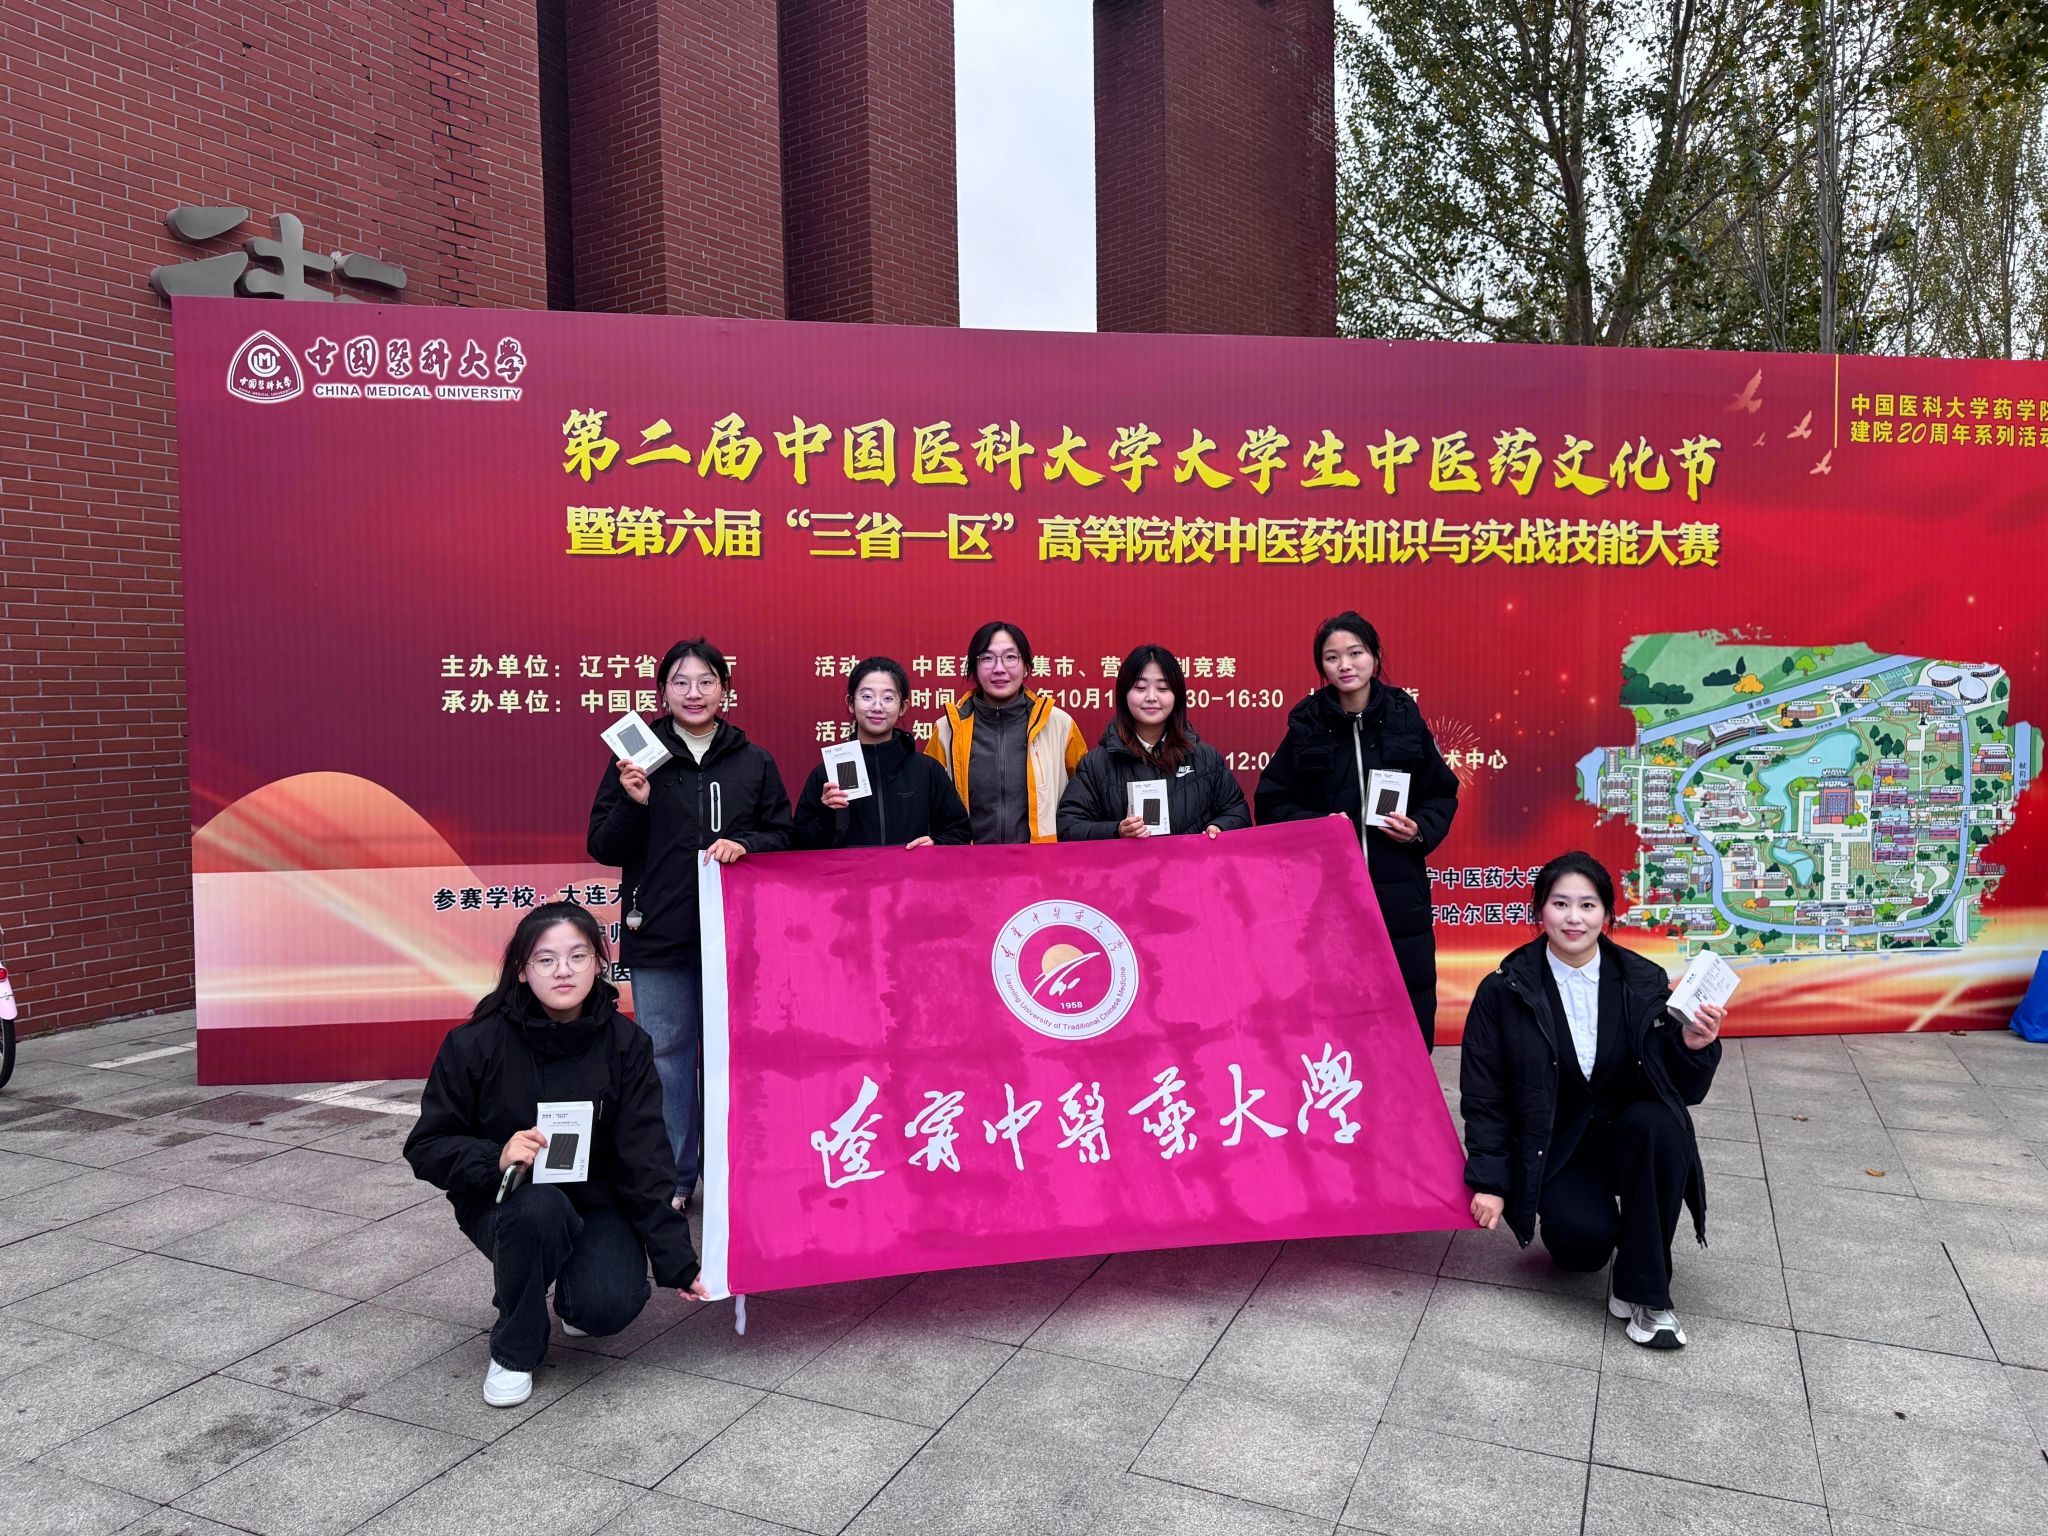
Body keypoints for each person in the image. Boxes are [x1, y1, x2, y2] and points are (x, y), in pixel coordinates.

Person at [404, 903, 712, 1408]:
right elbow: (426, 1146)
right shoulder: (474, 1043)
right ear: (522, 970)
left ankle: (574, 1295)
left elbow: (646, 1160)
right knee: (537, 1211)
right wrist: (495, 1156)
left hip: (595, 1201)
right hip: (507, 1202)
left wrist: (679, 1263)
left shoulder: (626, 1044)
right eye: (546, 960)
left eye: (577, 956)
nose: (563, 970)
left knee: (607, 1306)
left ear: (599, 964)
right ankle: (514, 1348)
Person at [1459, 852, 1727, 1350]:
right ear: (1539, 910)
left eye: (1587, 905)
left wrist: (1693, 1047)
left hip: (1629, 1134)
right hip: (1556, 1145)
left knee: (1663, 1125)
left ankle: (1646, 1295)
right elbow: (1484, 1095)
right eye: (1560, 903)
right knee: (1581, 1251)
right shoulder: (1504, 990)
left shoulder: (1642, 982)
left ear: (1607, 914)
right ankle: (1605, 1230)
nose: (1574, 918)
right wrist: (1490, 1182)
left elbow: (1683, 1091)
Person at [587, 638, 793, 1208]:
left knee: (738, 1054)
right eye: (681, 682)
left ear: (725, 690)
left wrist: (747, 844)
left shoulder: (754, 761)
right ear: (662, 692)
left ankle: (740, 1172)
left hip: (739, 938)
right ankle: (677, 1177)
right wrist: (632, 802)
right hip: (658, 933)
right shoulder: (637, 760)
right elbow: (603, 845)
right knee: (667, 1057)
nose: (694, 693)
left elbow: (784, 835)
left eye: (706, 681)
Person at [1254, 612, 1459, 1047]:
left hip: (1398, 892)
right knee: (1336, 1021)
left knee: (1406, 1012)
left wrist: (1419, 829)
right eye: (1332, 657)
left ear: (1375, 657)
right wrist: (1317, 828)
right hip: (1325, 897)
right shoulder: (1307, 725)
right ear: (1321, 667)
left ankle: (1406, 1090)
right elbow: (1271, 803)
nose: (1345, 665)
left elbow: (1441, 793)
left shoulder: (1405, 717)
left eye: (1355, 653)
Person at [1056, 644, 1251, 841]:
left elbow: (1237, 813)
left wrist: (1219, 827)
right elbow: (1069, 827)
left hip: (1191, 862)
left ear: (1177, 696)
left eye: (1163, 688)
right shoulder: (1097, 764)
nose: (1151, 697)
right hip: (1126, 862)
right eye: (1140, 688)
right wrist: (1117, 830)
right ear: (1124, 695)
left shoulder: (1206, 758)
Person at [925, 620, 1085, 844]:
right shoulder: (946, 730)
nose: (999, 669)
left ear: (1027, 666)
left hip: (1040, 861)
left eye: (1010, 657)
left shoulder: (1060, 725)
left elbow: (1084, 803)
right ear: (973, 668)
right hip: (967, 861)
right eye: (987, 658)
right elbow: (927, 802)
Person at [793, 657, 971, 850]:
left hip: (911, 870)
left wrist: (936, 844)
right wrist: (827, 816)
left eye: (888, 698)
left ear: (903, 707)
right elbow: (798, 844)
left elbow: (959, 831)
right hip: (848, 871)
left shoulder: (927, 770)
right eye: (867, 697)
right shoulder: (827, 774)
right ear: (851, 703)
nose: (877, 707)